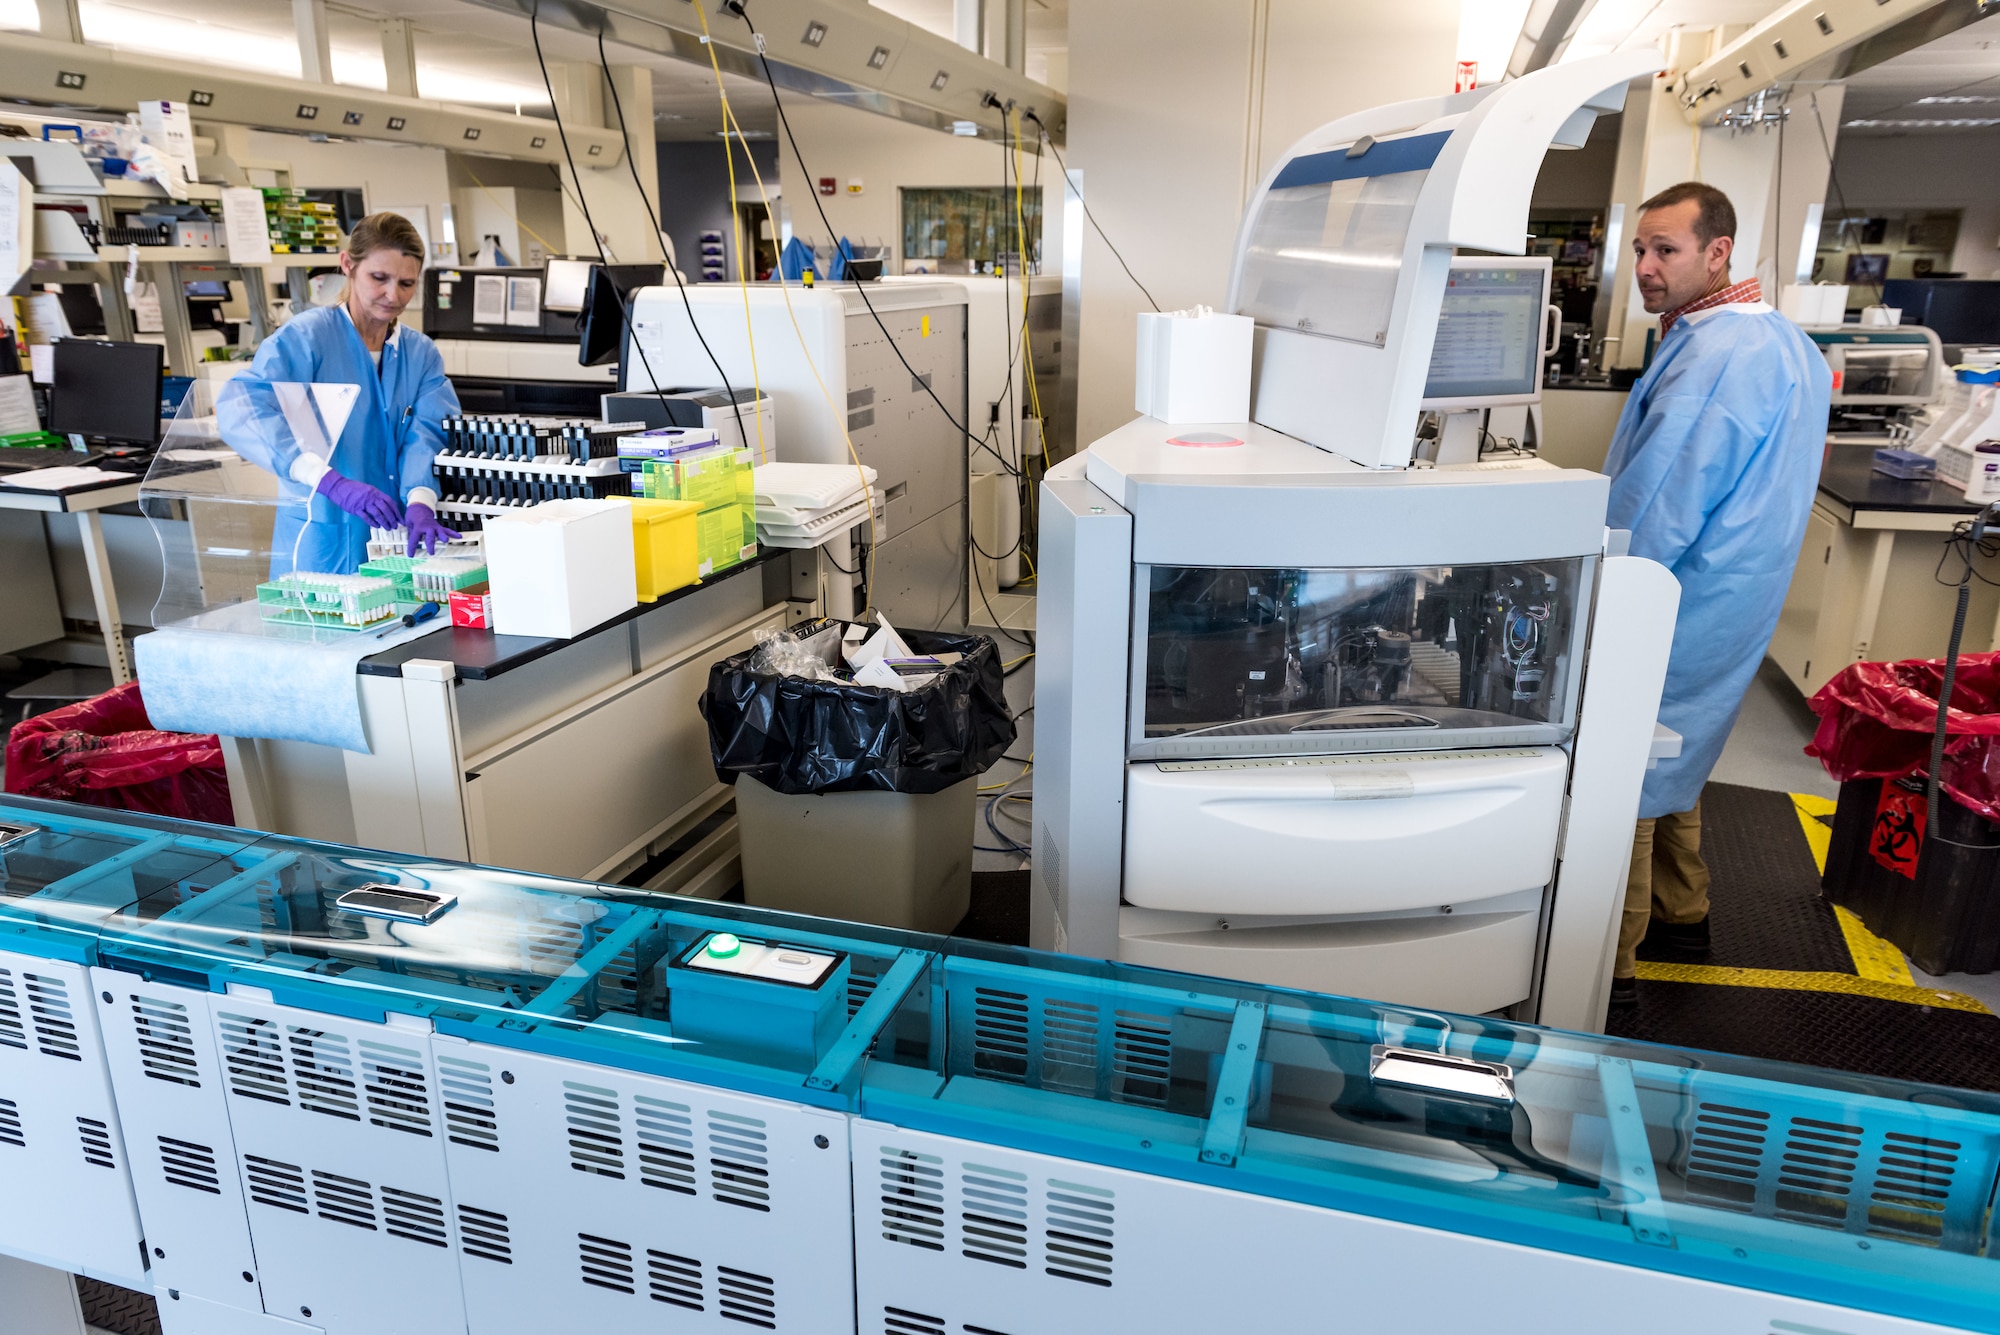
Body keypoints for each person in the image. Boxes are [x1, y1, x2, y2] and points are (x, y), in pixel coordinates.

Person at [1601, 182, 1832, 1009]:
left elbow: (1660, 502)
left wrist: (1593, 586)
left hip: (1675, 592)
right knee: (1679, 745)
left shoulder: (1718, 354)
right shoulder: (1784, 340)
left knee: (1625, 763)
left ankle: (1610, 967)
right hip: (1736, 593)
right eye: (1640, 249)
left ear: (1718, 251)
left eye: (1665, 249)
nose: (1645, 266)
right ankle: (1682, 910)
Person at [220, 211, 460, 575]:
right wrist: (328, 481)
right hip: (323, 538)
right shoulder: (307, 338)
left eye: (407, 283)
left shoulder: (420, 353)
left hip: (396, 538)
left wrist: (421, 499)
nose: (393, 295)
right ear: (348, 265)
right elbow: (243, 408)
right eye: (379, 278)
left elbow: (427, 432)